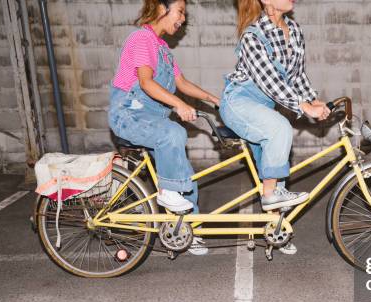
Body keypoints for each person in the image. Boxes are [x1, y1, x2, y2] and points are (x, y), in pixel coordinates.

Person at [108, 0, 220, 255]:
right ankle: (168, 192)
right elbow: (146, 83)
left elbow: (182, 83)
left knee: (184, 173)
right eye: (180, 12)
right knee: (174, 133)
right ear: (161, 8)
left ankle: (187, 231)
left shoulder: (164, 51)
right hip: (129, 114)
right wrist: (179, 106)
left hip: (150, 119)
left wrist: (215, 100)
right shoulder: (140, 39)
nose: (183, 19)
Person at [220, 0, 330, 213]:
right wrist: (304, 106)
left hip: (263, 107)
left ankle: (276, 230)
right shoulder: (252, 36)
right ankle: (269, 196)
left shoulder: (295, 30)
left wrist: (312, 99)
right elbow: (271, 81)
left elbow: (296, 75)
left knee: (276, 170)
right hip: (239, 103)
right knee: (280, 128)